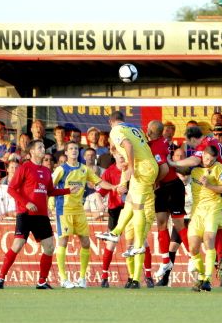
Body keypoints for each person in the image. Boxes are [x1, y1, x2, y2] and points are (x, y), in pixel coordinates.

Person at [0, 140, 76, 290]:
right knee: (17, 245)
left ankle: (41, 281)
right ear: (31, 151)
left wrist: (68, 190)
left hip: (41, 215)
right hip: (25, 214)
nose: (43, 149)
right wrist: (26, 203)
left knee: (50, 247)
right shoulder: (24, 167)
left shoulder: (46, 171)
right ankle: (0, 278)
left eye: (43, 147)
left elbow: (50, 192)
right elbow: (11, 189)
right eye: (39, 147)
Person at [168, 125, 222, 277]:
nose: (188, 146)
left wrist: (174, 163)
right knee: (221, 220)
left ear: (192, 138)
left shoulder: (205, 146)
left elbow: (193, 160)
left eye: (188, 142)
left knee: (220, 224)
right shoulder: (210, 138)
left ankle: (220, 257)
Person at [96, 112, 158, 289]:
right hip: (147, 167)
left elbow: (128, 145)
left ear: (110, 122)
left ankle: (137, 249)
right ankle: (116, 232)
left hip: (143, 169)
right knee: (131, 201)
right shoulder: (134, 128)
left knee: (136, 207)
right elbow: (138, 147)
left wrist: (131, 166)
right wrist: (128, 168)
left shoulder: (115, 131)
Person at [51, 141, 114, 289]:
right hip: (64, 210)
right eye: (70, 149)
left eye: (75, 149)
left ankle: (81, 278)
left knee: (85, 243)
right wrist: (49, 205)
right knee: (63, 242)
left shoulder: (84, 169)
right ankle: (63, 278)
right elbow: (49, 186)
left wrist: (113, 187)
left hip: (79, 210)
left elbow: (99, 182)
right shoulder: (61, 169)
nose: (73, 151)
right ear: (65, 153)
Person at [146, 120, 187, 287]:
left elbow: (162, 169)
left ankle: (194, 258)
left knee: (177, 224)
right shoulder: (163, 142)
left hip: (169, 186)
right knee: (161, 224)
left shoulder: (155, 146)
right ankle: (165, 261)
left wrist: (154, 182)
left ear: (149, 131)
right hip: (168, 187)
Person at [187, 145, 222, 292]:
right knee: (192, 247)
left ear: (216, 159)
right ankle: (201, 276)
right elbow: (179, 169)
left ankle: (208, 279)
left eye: (211, 160)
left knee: (208, 240)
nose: (208, 161)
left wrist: (209, 185)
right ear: (202, 154)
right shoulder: (193, 167)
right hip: (197, 211)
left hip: (213, 207)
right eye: (206, 158)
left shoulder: (218, 168)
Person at [97, 154, 128, 288]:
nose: (121, 157)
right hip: (115, 211)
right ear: (114, 155)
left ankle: (144, 277)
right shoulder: (110, 171)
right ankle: (104, 277)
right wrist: (99, 202)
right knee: (111, 244)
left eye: (124, 155)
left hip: (132, 209)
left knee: (136, 243)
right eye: (118, 155)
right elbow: (100, 192)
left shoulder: (132, 169)